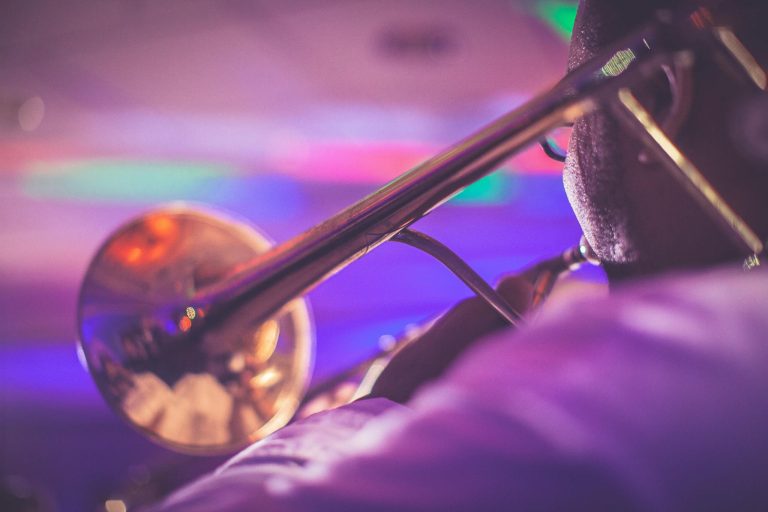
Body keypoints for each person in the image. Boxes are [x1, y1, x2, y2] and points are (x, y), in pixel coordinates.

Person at [144, 0, 768, 510]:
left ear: (658, 100)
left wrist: (386, 404)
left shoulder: (650, 357)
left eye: (574, 119)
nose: (564, 157)